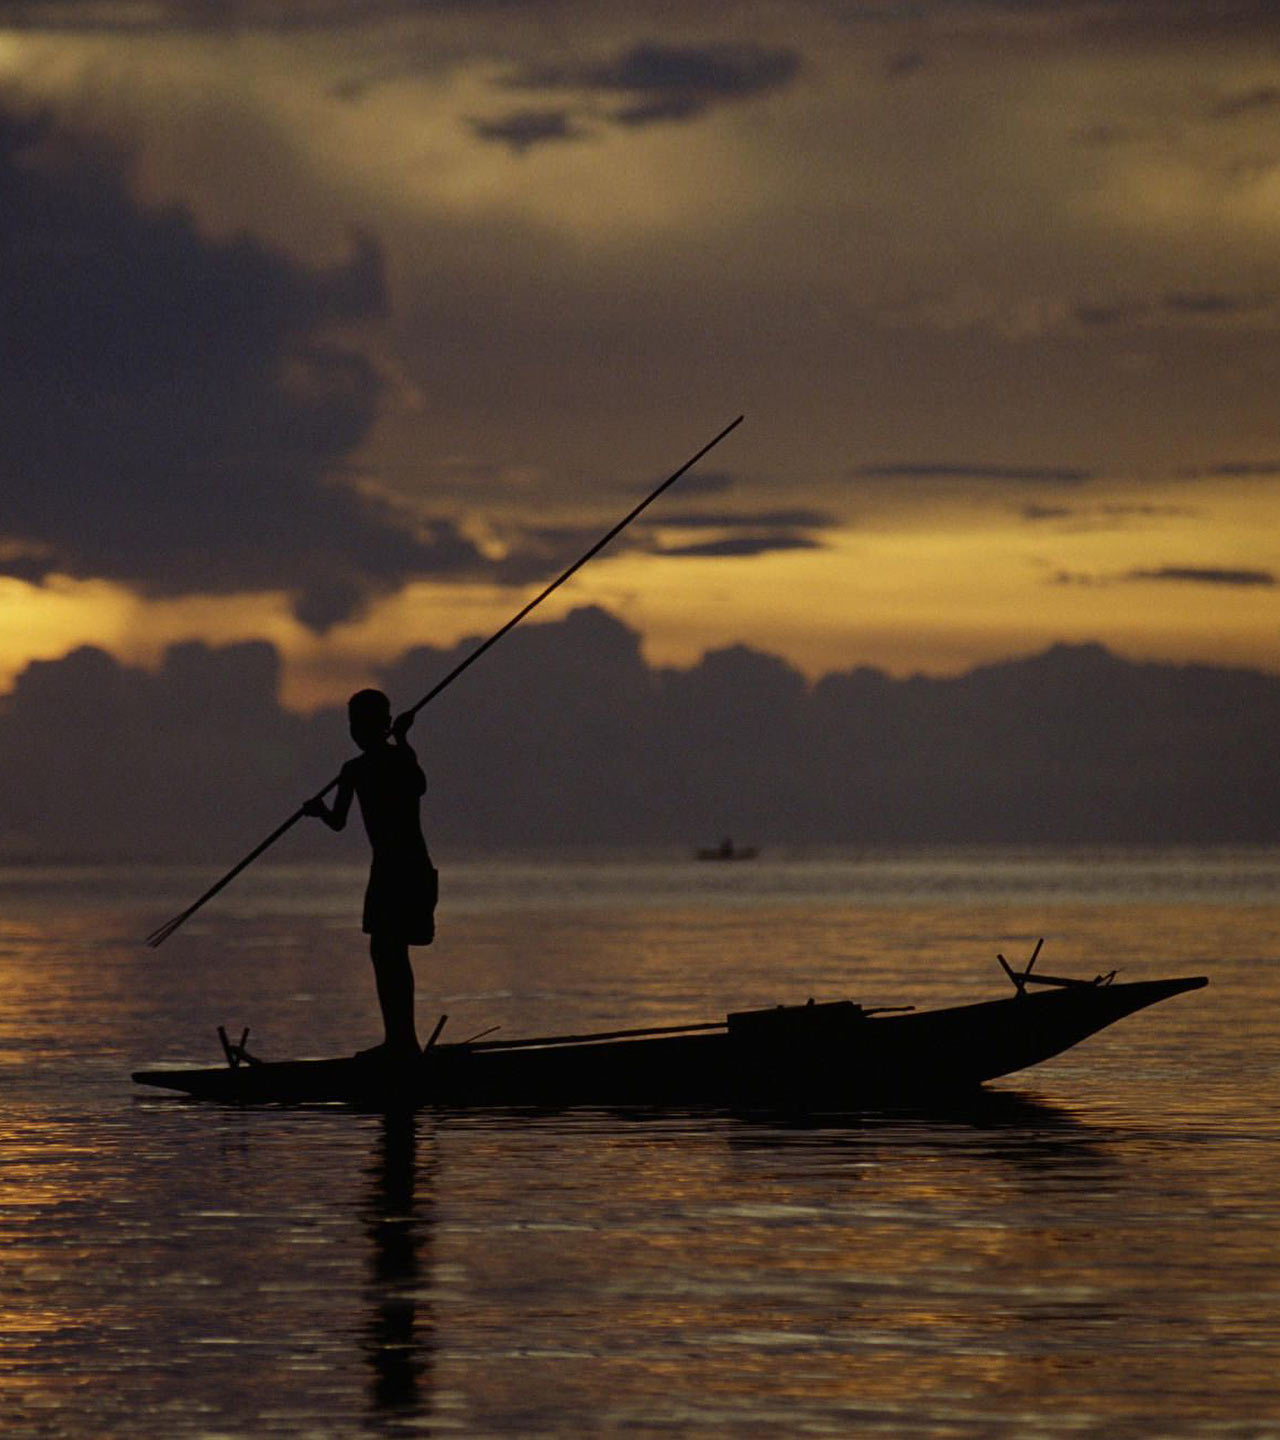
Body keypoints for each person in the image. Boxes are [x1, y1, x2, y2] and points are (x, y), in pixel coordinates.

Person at [303, 689, 437, 1058]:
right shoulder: (356, 769)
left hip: (407, 867)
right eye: (352, 724)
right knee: (385, 952)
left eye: (362, 724)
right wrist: (318, 811)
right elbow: (338, 821)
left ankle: (402, 1042)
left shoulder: (388, 762)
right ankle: (399, 1040)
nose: (356, 731)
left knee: (391, 950)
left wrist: (404, 740)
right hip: (388, 869)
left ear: (380, 725)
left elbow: (417, 786)